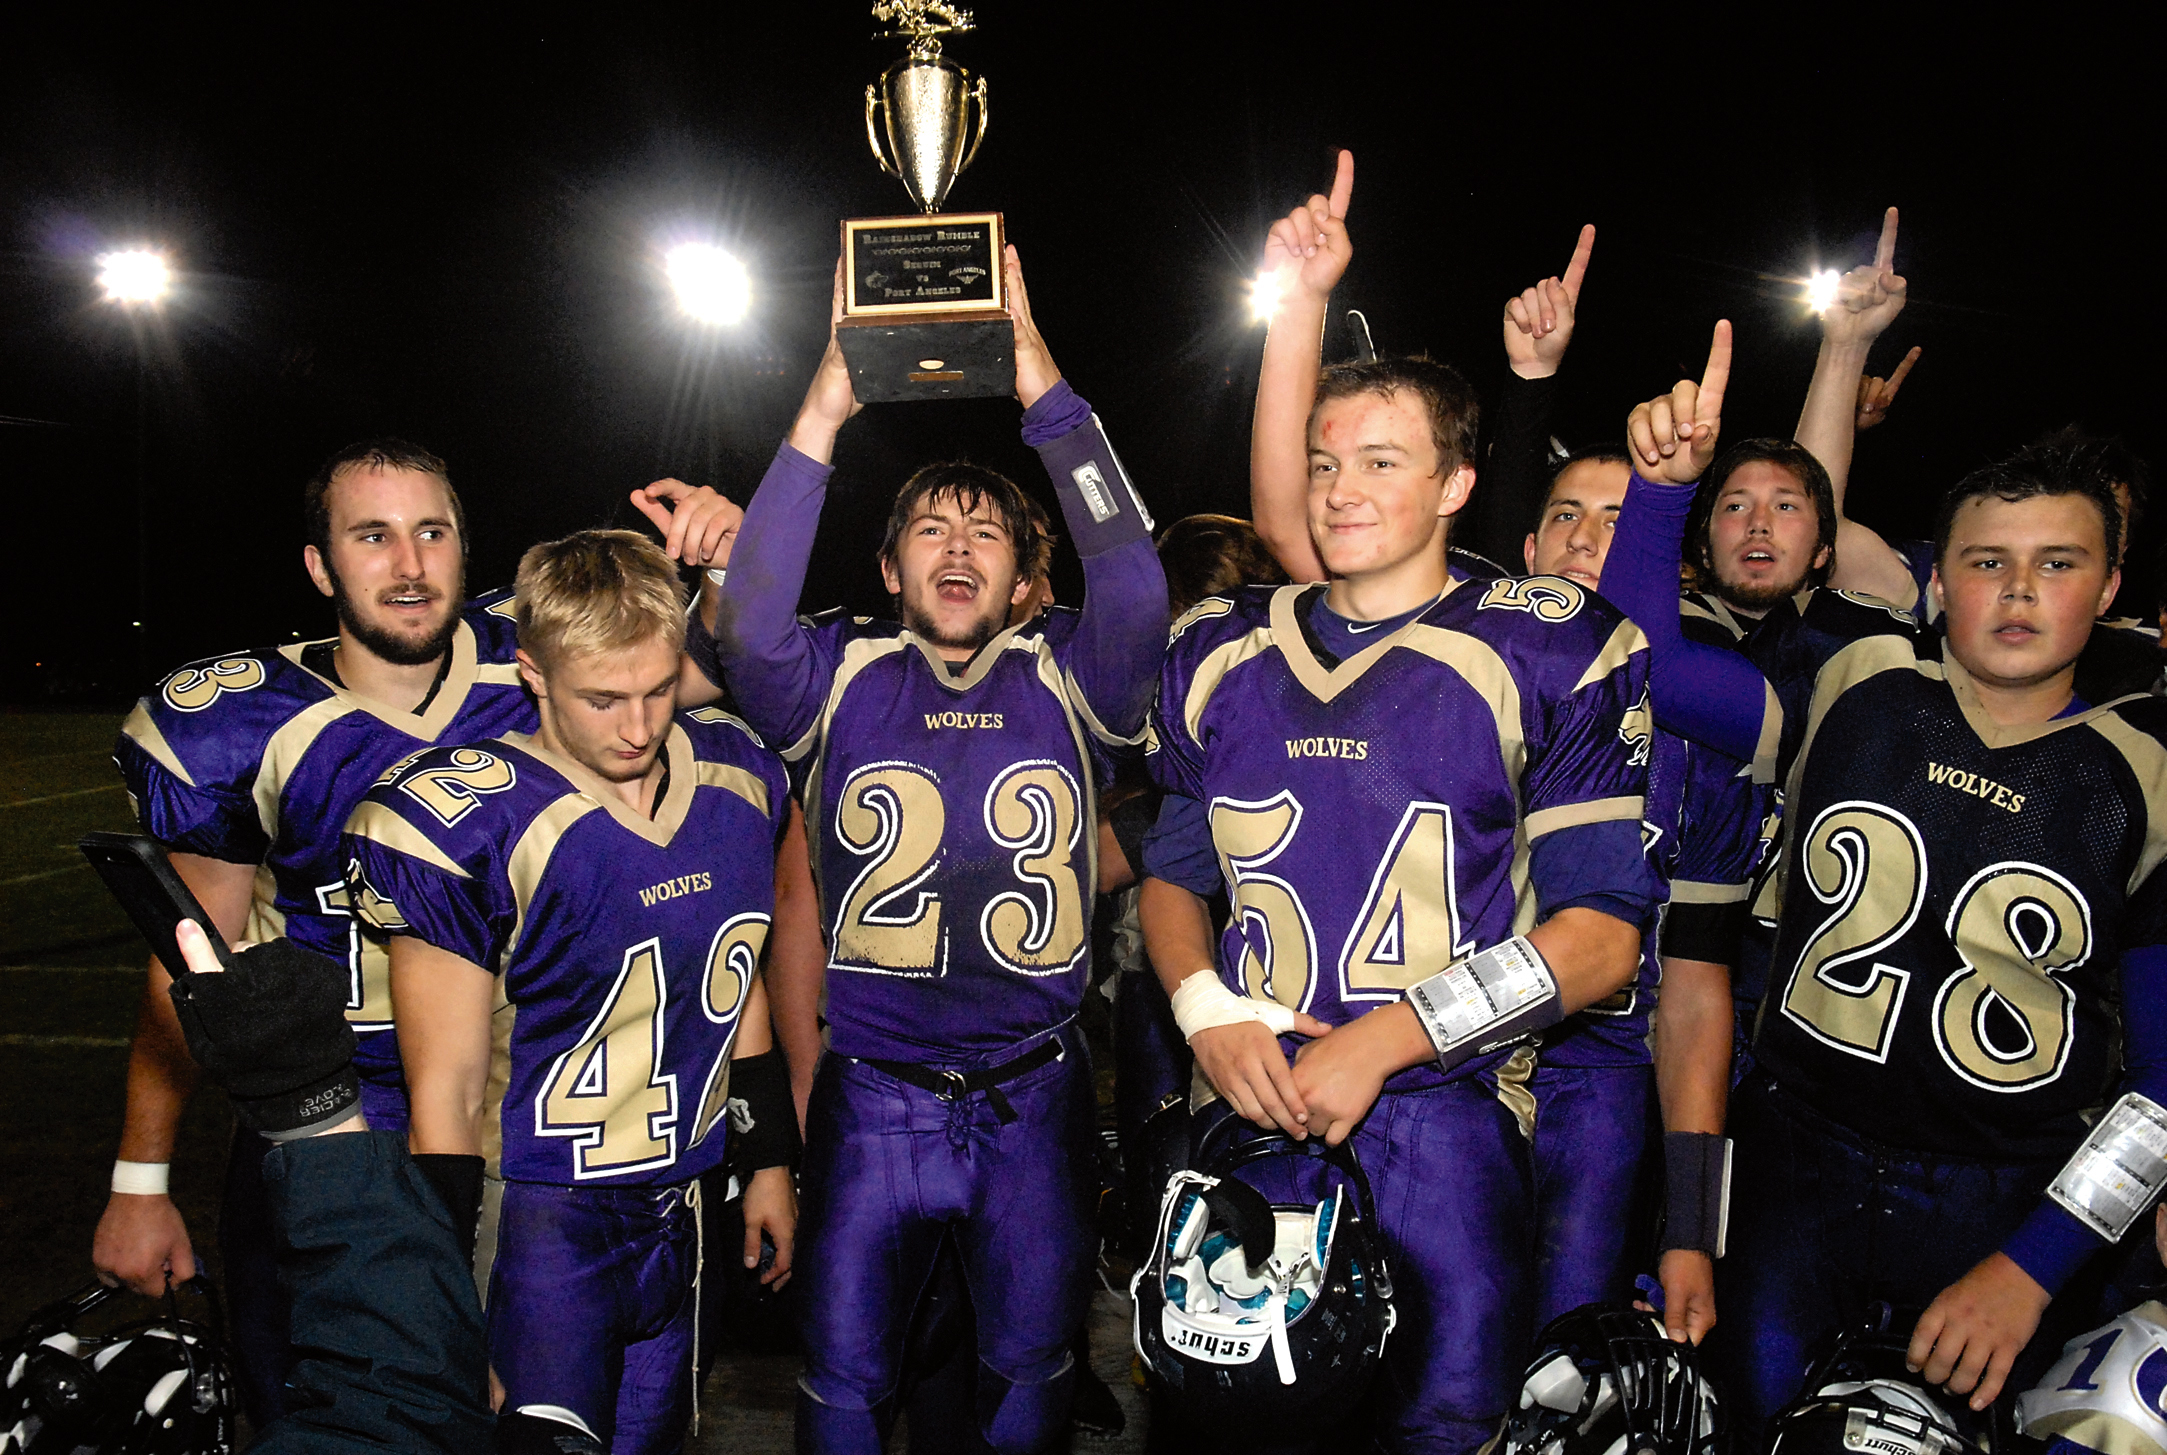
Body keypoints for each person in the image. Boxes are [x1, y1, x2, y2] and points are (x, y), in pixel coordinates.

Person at [92, 441, 746, 1422]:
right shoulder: (246, 724)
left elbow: (706, 673)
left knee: (519, 1415)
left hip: (507, 1123)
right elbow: (192, 975)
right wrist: (141, 1182)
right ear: (321, 566)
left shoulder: (525, 669)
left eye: (431, 532)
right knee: (334, 1419)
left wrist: (733, 562)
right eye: (373, 536)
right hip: (325, 1131)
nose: (409, 564)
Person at [1615, 335, 2167, 1444]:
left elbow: (2160, 1079)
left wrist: (2031, 1265)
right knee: (1749, 1421)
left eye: (2056, 564)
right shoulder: (1851, 682)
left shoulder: (2146, 767)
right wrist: (1658, 495)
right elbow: (1647, 661)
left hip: (2000, 1192)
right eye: (1984, 560)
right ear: (1933, 576)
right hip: (1790, 1166)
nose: (2016, 590)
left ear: (2108, 587)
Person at [1245, 157, 1752, 1345]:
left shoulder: (1710, 716)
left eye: (1619, 521)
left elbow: (1692, 998)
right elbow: (1297, 525)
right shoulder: (1468, 650)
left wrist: (1691, 1225)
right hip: (1430, 1061)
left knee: (1554, 1354)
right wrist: (1310, 309)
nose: (1587, 537)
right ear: (1519, 543)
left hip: (1599, 1069)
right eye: (1562, 516)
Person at [1142, 338, 1659, 1452]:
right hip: (1244, 1090)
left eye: (1382, 463)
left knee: (1442, 1421)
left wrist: (1384, 1041)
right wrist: (1204, 1012)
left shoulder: (1544, 647)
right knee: (1230, 1424)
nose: (1341, 491)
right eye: (1324, 464)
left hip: (1445, 1110)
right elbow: (1172, 878)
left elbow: (1603, 941)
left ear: (1455, 485)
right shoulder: (1219, 648)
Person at [696, 248, 1168, 1455]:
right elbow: (745, 617)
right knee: (844, 1387)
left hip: (1032, 1092)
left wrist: (1042, 393)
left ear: (1020, 578)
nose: (958, 548)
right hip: (875, 1099)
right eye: (928, 529)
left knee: (1029, 1374)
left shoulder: (1070, 672)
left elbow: (1131, 580)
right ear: (888, 566)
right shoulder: (838, 676)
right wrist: (824, 404)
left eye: (987, 534)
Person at [341, 529, 800, 1452]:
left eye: (659, 689)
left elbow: (734, 982)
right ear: (534, 674)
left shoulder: (736, 778)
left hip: (683, 1202)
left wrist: (769, 1161)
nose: (638, 725)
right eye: (603, 697)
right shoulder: (471, 818)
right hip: (539, 1222)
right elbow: (448, 1089)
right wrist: (447, 1308)